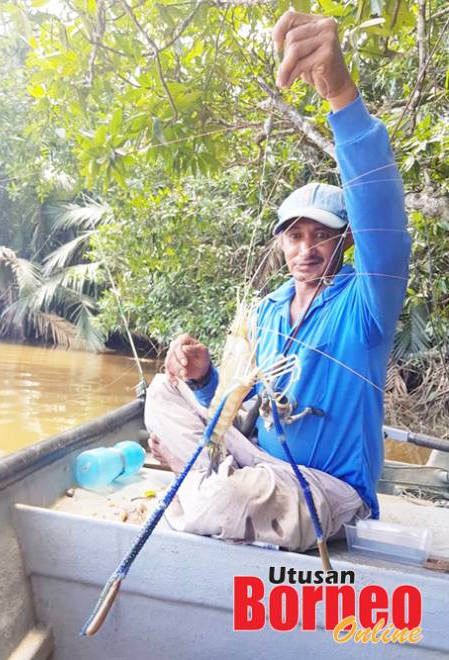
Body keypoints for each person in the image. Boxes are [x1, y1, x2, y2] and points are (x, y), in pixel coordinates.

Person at [144, 11, 411, 552]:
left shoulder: (366, 303)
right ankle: (201, 479)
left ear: (346, 243)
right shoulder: (266, 310)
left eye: (322, 235)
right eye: (294, 236)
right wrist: (201, 378)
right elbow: (238, 399)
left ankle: (193, 482)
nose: (306, 249)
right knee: (161, 392)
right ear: (281, 243)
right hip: (263, 460)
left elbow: (383, 218)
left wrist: (339, 94)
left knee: (227, 501)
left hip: (325, 488)